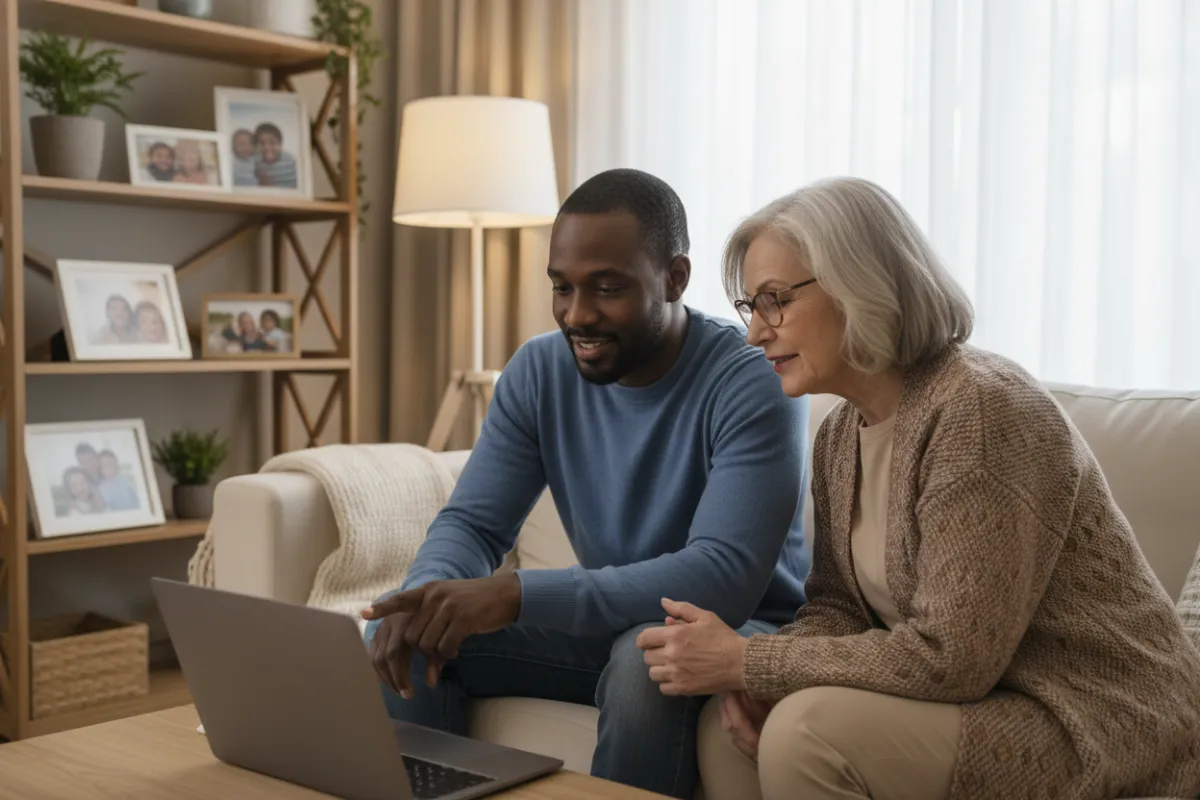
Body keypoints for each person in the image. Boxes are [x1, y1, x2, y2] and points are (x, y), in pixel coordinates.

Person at [635, 176, 1200, 800]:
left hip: (1091, 716)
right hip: (989, 699)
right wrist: (761, 681)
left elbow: (952, 656)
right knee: (733, 723)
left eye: (774, 300)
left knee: (804, 731)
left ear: (859, 283)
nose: (755, 333)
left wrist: (749, 661)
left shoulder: (982, 412)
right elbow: (838, 609)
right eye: (749, 307)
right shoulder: (841, 431)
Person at [360, 168, 812, 799]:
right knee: (400, 638)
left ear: (674, 278)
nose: (578, 314)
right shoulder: (540, 371)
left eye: (607, 288)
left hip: (734, 630)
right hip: (612, 620)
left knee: (643, 659)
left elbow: (722, 575)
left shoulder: (750, 379)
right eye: (561, 287)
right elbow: (475, 523)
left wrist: (515, 594)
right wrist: (423, 597)